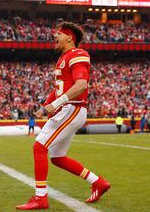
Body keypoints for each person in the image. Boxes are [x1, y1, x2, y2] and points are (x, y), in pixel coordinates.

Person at [17, 22, 110, 210]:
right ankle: (98, 182)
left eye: (58, 34)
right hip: (67, 108)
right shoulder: (63, 58)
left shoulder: (77, 54)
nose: (54, 37)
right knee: (57, 157)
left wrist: (56, 104)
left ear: (69, 37)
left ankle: (40, 197)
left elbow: (82, 85)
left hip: (72, 107)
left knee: (39, 147)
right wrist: (44, 108)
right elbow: (59, 88)